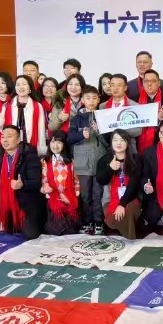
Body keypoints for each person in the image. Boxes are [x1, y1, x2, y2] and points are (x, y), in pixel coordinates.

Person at [0, 124, 44, 239]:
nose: (5, 140)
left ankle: (22, 221)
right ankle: (6, 220)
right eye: (3, 137)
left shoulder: (29, 156)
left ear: (18, 140)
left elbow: (36, 182)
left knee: (31, 234)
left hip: (26, 201)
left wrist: (22, 184)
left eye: (9, 137)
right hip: (6, 198)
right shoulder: (0, 155)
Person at [67, 85, 107, 234]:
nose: (91, 101)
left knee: (98, 194)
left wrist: (99, 131)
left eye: (94, 98)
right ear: (82, 100)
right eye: (88, 98)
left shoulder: (103, 117)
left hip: (99, 161)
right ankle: (87, 222)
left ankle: (98, 222)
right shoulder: (76, 119)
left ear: (98, 100)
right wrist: (80, 135)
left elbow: (109, 142)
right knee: (85, 195)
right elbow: (69, 138)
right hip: (82, 162)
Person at [99, 131, 143, 239]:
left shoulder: (135, 159)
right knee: (115, 218)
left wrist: (122, 204)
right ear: (111, 142)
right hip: (110, 200)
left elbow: (134, 184)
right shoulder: (104, 160)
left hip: (131, 199)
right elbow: (101, 181)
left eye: (122, 140)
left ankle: (130, 239)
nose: (118, 143)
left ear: (128, 143)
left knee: (129, 211)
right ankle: (132, 236)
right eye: (115, 140)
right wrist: (110, 168)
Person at [0, 74, 49, 156]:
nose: (21, 87)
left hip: (31, 146)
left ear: (30, 88)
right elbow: (1, 129)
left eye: (24, 84)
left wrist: (41, 149)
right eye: (18, 84)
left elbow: (41, 130)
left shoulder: (37, 106)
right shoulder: (7, 105)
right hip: (12, 147)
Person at [41, 130, 81, 235]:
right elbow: (44, 179)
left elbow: (76, 180)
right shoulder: (45, 161)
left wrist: (73, 196)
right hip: (53, 199)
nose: (55, 145)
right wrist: (45, 187)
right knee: (54, 230)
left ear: (64, 144)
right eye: (53, 142)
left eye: (59, 142)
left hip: (69, 198)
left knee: (71, 230)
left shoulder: (71, 161)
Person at [133, 70, 163, 154]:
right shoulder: (135, 100)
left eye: (153, 81)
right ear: (143, 83)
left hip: (161, 142)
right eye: (146, 81)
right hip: (139, 142)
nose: (149, 84)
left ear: (159, 83)